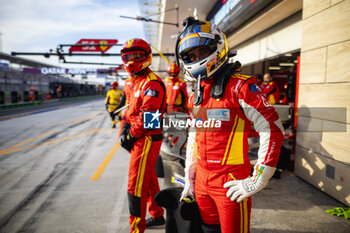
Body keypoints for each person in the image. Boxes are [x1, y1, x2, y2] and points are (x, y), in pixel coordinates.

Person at [177, 17, 284, 233]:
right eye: (191, 56)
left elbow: (273, 129)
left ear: (216, 47)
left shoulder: (241, 86)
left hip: (231, 181)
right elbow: (194, 136)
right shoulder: (195, 94)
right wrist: (190, 173)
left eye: (202, 52)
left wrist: (259, 178)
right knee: (208, 230)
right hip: (202, 179)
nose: (196, 59)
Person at [119, 38, 166, 233]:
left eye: (136, 55)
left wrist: (130, 135)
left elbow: (150, 118)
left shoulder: (152, 83)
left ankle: (136, 228)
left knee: (135, 184)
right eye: (127, 56)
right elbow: (127, 110)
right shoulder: (131, 83)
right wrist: (123, 130)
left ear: (146, 56)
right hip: (137, 136)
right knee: (148, 178)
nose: (131, 60)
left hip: (147, 138)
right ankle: (157, 215)